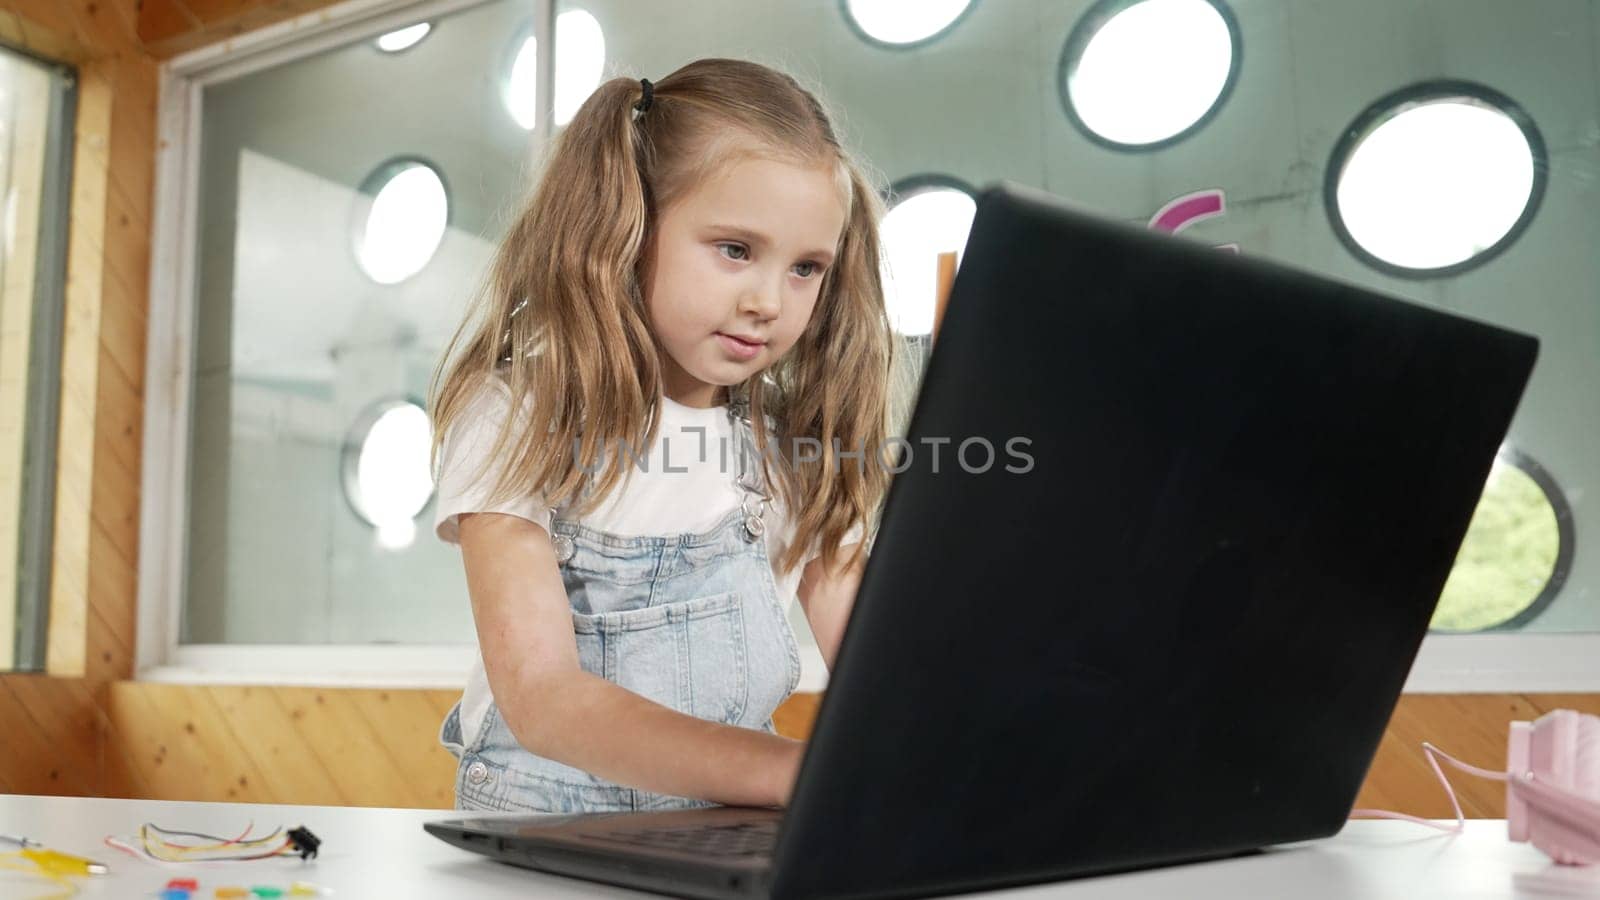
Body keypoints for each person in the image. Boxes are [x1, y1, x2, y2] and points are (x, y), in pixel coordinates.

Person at [427, 57, 907, 813]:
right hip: (546, 835)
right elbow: (543, 698)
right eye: (736, 249)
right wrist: (797, 774)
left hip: (720, 835)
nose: (768, 302)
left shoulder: (795, 456)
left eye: (807, 268)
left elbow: (888, 679)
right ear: (628, 228)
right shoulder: (516, 418)